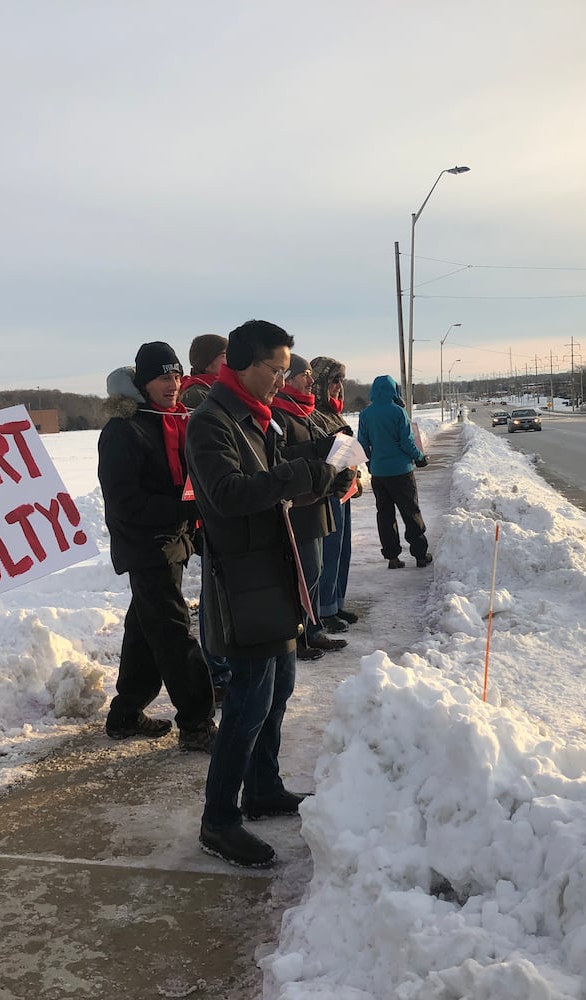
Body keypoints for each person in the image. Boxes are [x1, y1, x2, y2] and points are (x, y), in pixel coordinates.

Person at [185, 320, 351, 868]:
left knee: (279, 687)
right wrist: (298, 476)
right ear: (241, 363)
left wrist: (326, 478)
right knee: (248, 702)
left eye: (286, 370)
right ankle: (219, 820)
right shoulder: (213, 422)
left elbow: (279, 480)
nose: (282, 379)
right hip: (241, 578)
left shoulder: (260, 420)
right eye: (274, 369)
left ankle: (262, 787)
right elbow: (229, 495)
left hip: (274, 570)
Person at [97, 342, 218, 752]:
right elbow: (123, 500)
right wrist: (184, 509)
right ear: (144, 382)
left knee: (144, 629)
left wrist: (192, 521)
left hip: (172, 539)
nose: (174, 384)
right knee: (172, 632)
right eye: (164, 377)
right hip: (145, 545)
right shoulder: (123, 430)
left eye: (177, 376)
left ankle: (126, 713)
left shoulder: (170, 419)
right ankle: (197, 722)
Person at [270, 353, 346, 660]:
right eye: (305, 375)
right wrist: (319, 449)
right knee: (303, 574)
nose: (311, 381)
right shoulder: (280, 415)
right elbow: (280, 456)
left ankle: (312, 629)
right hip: (299, 508)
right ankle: (299, 635)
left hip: (318, 503)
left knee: (315, 571)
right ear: (287, 379)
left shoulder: (306, 411)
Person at [180, 333, 232, 696]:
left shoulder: (213, 391)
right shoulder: (197, 395)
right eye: (224, 355)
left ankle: (221, 667)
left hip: (209, 503)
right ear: (208, 360)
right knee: (213, 593)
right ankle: (216, 671)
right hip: (203, 503)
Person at [356, 374, 432, 569]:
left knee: (385, 514)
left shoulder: (365, 414)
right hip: (401, 472)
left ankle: (392, 557)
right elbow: (407, 442)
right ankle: (420, 555)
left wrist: (371, 465)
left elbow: (363, 445)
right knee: (410, 512)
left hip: (379, 474)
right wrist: (420, 457)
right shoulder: (398, 412)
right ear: (393, 390)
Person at [310, 356, 360, 632]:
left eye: (341, 381)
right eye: (333, 380)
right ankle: (324, 608)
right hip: (327, 492)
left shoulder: (334, 413)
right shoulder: (312, 413)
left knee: (342, 550)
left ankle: (336, 601)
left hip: (344, 490)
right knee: (328, 552)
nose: (338, 387)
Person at [179, 333, 227, 409]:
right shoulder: (195, 396)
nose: (229, 360)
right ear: (207, 364)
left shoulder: (221, 389)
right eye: (223, 356)